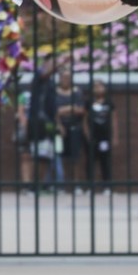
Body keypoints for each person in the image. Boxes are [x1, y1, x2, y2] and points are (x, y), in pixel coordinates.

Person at [27, 57, 62, 190]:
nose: (55, 65)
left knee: (47, 155)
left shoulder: (51, 83)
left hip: (49, 122)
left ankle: (42, 184)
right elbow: (44, 74)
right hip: (37, 122)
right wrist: (62, 62)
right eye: (52, 62)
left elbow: (54, 106)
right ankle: (32, 185)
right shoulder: (38, 76)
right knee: (36, 155)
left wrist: (58, 123)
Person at [54, 64, 87, 193]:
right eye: (64, 77)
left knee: (75, 157)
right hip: (60, 127)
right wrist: (60, 122)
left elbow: (81, 110)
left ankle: (76, 184)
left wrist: (65, 110)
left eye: (68, 77)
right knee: (60, 157)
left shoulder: (77, 92)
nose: (66, 79)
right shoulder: (55, 92)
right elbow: (54, 111)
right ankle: (61, 184)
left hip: (75, 127)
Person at [85, 79, 116, 193]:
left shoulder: (108, 102)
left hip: (105, 137)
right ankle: (90, 186)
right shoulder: (89, 102)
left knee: (105, 162)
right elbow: (84, 119)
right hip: (93, 136)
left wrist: (114, 136)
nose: (98, 89)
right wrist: (87, 134)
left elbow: (114, 120)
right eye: (95, 87)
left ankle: (107, 186)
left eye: (100, 86)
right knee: (90, 162)